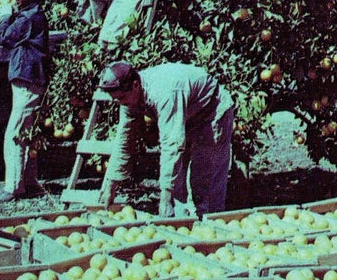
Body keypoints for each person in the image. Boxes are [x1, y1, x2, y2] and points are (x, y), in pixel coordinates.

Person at [97, 61, 235, 218]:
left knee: (204, 183)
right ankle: (183, 227)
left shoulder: (164, 93)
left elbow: (172, 144)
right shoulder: (128, 98)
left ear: (135, 85)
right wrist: (111, 185)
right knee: (177, 185)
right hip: (188, 117)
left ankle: (209, 230)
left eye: (121, 97)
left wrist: (164, 199)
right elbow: (124, 140)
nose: (120, 103)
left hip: (211, 114)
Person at [0, 0, 49, 201]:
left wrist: (5, 17)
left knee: (15, 133)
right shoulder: (31, 15)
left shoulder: (28, 18)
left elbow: (5, 38)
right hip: (29, 78)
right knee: (26, 132)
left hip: (28, 79)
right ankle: (29, 182)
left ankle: (14, 187)